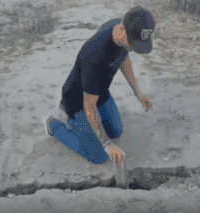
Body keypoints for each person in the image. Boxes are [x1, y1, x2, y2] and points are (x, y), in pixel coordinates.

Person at [42, 6, 154, 166]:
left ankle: (84, 129)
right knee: (99, 156)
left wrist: (139, 93)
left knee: (116, 131)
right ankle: (54, 126)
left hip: (99, 91)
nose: (133, 49)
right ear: (122, 31)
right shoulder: (94, 56)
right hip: (77, 101)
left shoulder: (120, 28)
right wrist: (107, 145)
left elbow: (124, 60)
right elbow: (89, 106)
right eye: (133, 44)